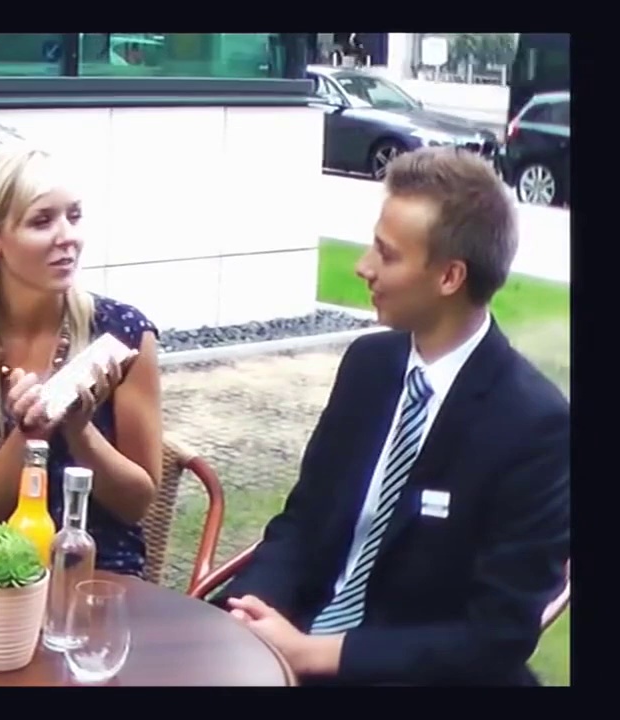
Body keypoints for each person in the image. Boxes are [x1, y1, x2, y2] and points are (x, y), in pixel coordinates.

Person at [209, 147, 569, 686]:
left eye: (387, 254)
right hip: (293, 637)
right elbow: (302, 524)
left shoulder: (534, 425)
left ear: (450, 276)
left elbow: (496, 634)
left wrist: (314, 655)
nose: (363, 267)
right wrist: (250, 614)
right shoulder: (369, 365)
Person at [0, 146, 163, 577]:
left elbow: (137, 503)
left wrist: (80, 431)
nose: (67, 237)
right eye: (42, 221)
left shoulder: (122, 334)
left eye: (74, 216)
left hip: (102, 575)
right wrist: (30, 437)